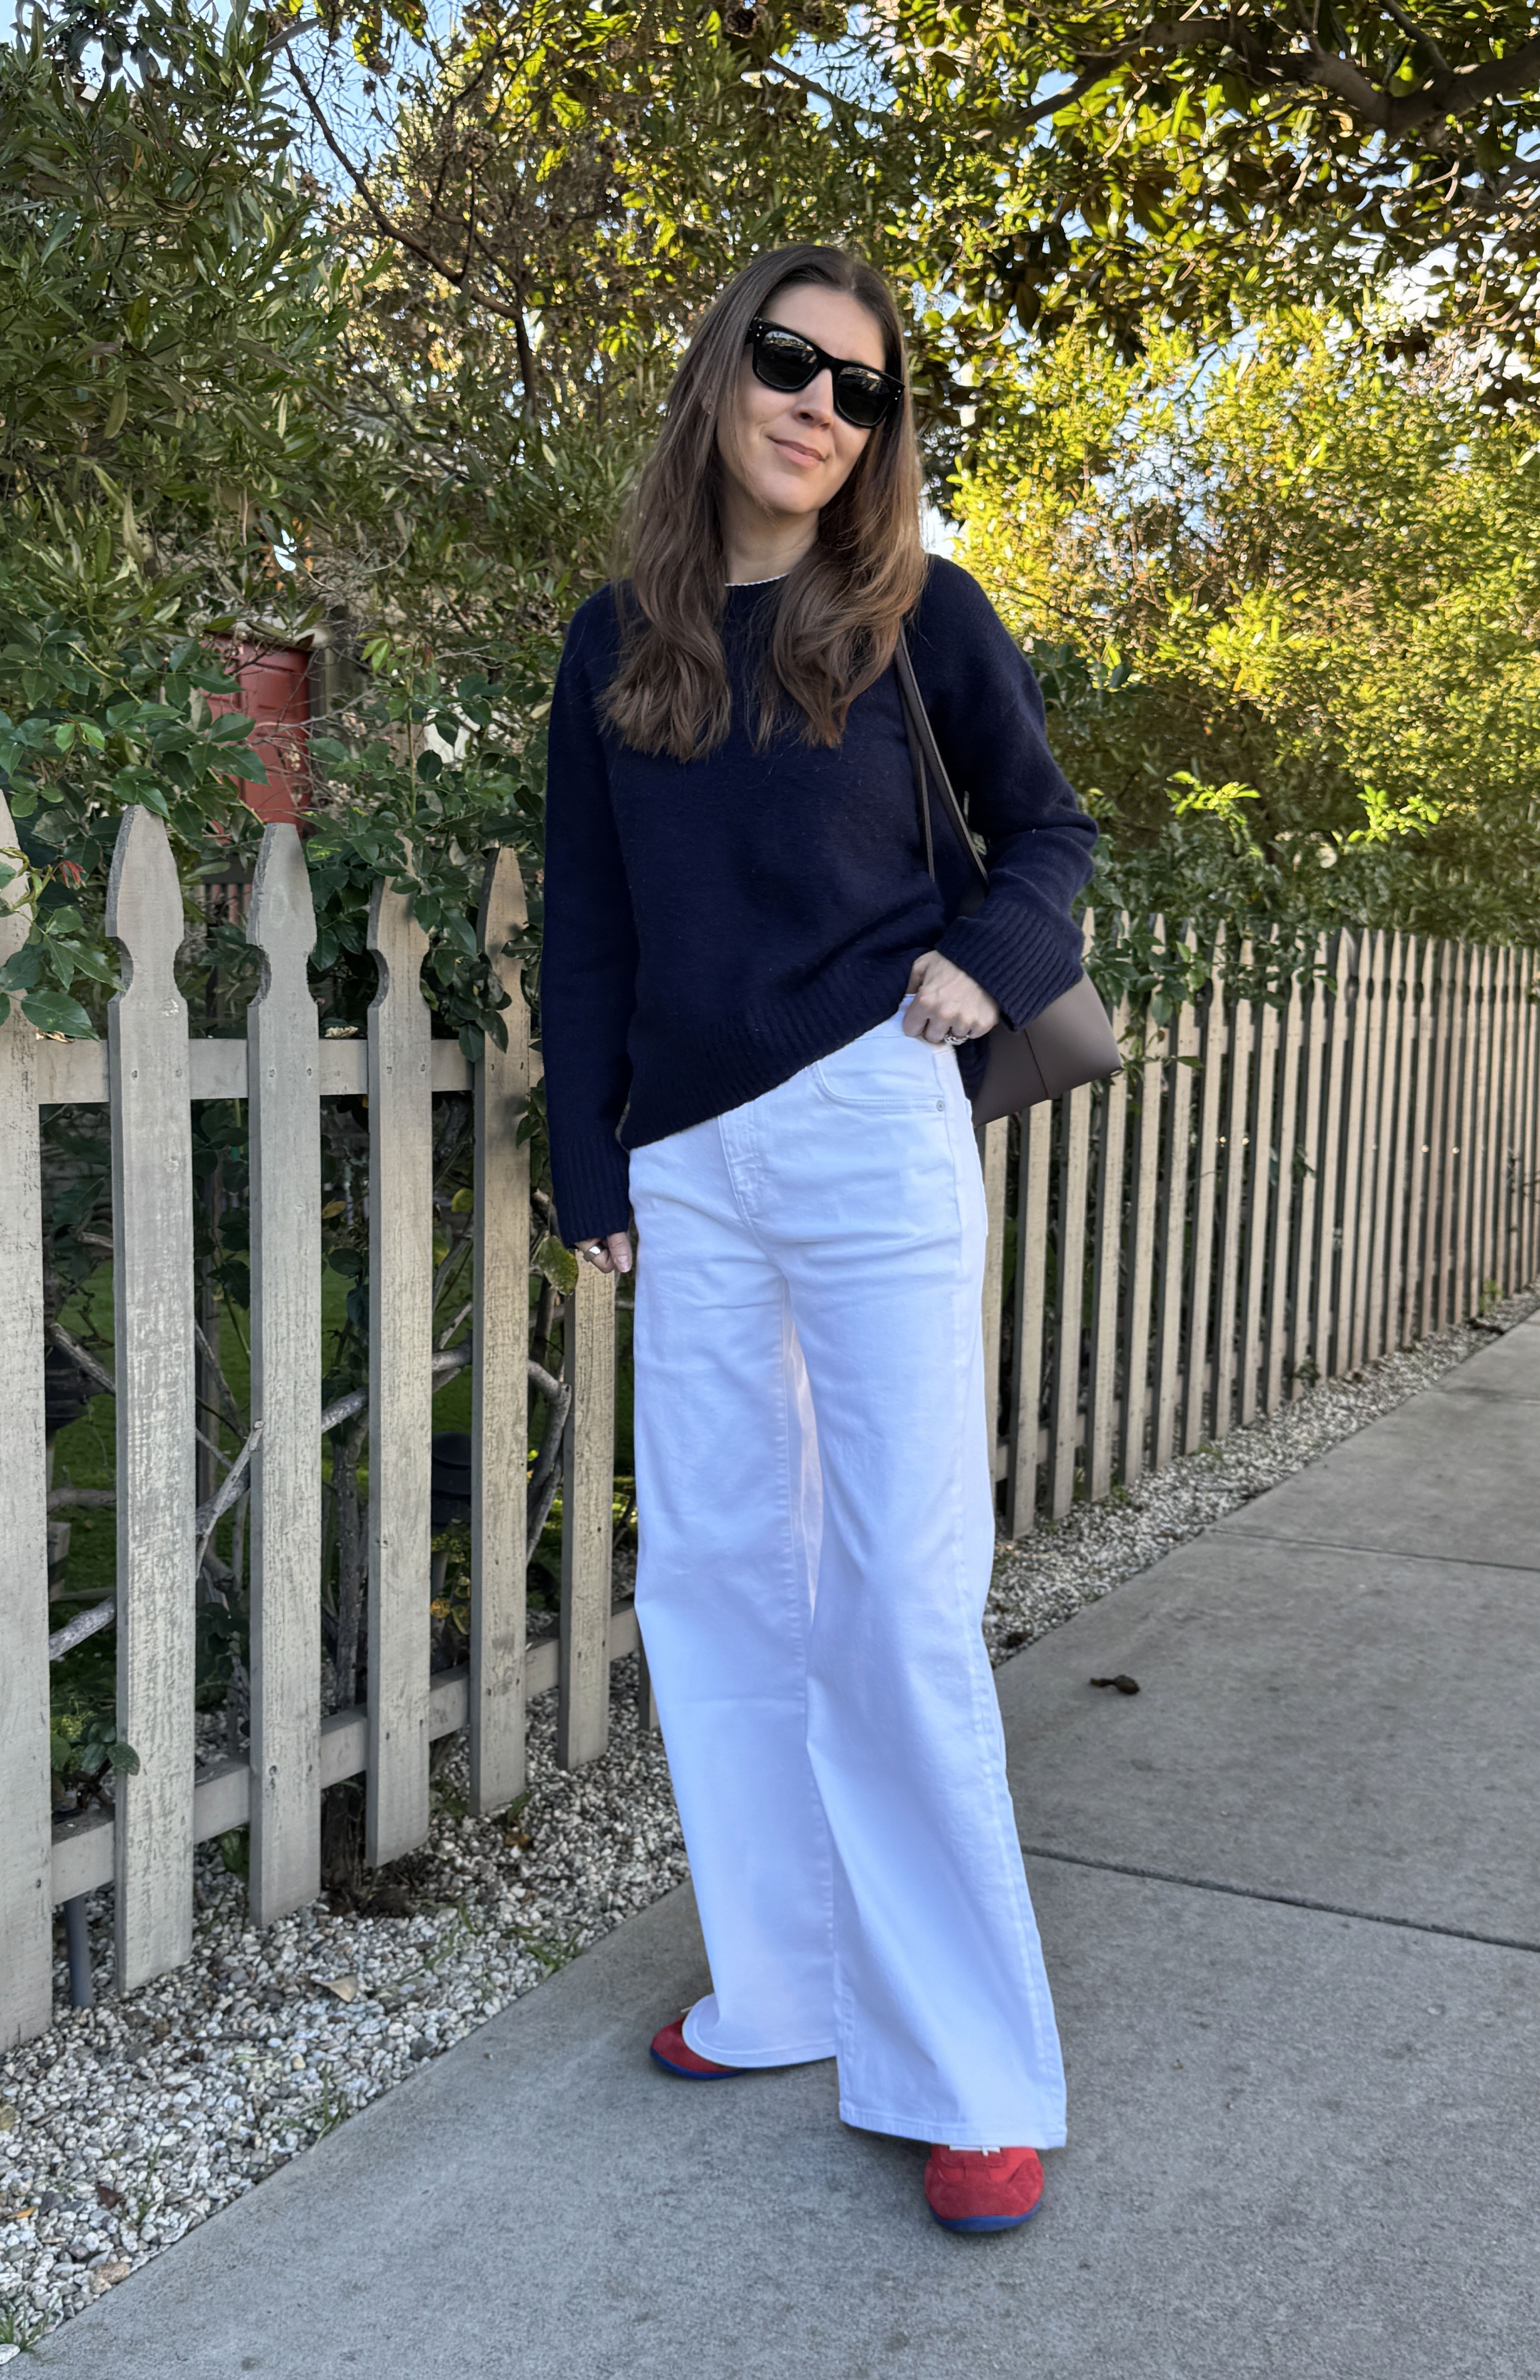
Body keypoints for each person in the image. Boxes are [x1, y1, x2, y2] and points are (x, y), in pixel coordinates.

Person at [539, 243, 1096, 2233]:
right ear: (722, 377)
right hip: (687, 1160)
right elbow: (588, 927)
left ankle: (961, 2065)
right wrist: (584, 1167)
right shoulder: (616, 642)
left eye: (860, 390)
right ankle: (781, 1983)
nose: (819, 409)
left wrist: (981, 964)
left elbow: (1049, 836)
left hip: (868, 1127)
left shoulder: (916, 616)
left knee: (893, 1588)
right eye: (789, 364)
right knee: (710, 1578)